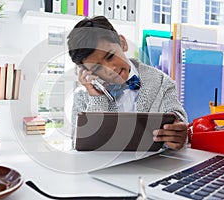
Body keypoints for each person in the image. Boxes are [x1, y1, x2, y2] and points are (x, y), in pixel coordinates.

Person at [67, 16, 188, 150]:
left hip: (152, 165)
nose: (110, 69)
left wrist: (179, 134)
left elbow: (177, 118)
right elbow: (78, 146)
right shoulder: (83, 95)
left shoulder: (161, 82)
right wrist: (97, 99)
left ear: (122, 43)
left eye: (110, 56)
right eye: (97, 68)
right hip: (106, 168)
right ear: (87, 71)